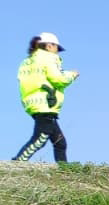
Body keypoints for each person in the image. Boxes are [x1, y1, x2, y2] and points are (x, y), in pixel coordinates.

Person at [12, 32, 77, 164]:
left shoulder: (27, 62)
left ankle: (64, 169)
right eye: (57, 48)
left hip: (33, 103)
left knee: (60, 142)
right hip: (46, 103)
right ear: (49, 46)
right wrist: (71, 75)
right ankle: (18, 162)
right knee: (40, 139)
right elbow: (58, 79)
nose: (57, 52)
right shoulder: (48, 58)